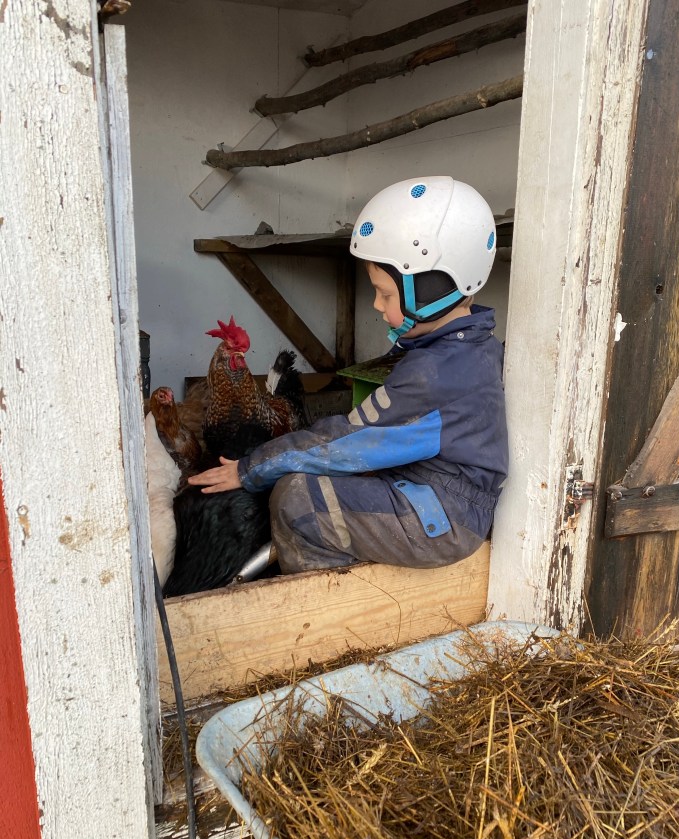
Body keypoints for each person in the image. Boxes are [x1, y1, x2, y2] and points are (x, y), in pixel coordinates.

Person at [188, 176, 509, 574]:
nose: (376, 304)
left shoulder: (435, 371)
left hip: (444, 518)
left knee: (297, 499)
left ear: (430, 289)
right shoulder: (467, 348)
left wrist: (250, 468)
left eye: (385, 294)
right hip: (441, 496)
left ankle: (329, 601)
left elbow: (345, 441)